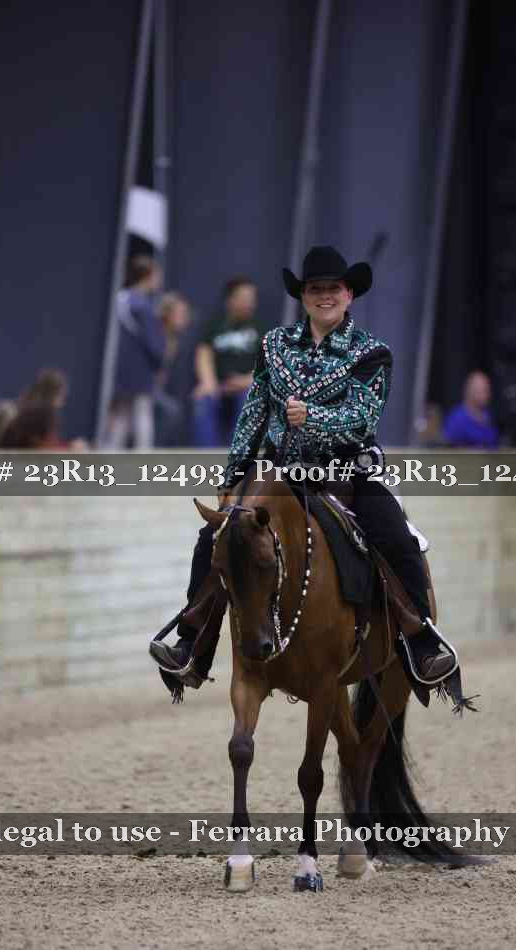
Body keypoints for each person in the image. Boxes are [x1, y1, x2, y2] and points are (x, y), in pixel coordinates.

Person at [150, 246, 456, 692]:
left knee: (394, 535)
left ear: (349, 294)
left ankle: (420, 639)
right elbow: (254, 411)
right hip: (282, 473)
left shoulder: (372, 353)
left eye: (334, 288)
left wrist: (312, 417)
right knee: (216, 537)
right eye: (316, 289)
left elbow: (363, 418)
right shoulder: (273, 345)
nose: (325, 296)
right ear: (303, 296)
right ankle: (191, 642)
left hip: (349, 472)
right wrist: (233, 474)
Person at [192, 276, 264, 446]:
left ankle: (237, 454)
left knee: (249, 398)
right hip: (218, 386)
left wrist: (246, 381)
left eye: (251, 298)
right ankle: (205, 456)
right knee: (203, 398)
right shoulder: (215, 326)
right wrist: (208, 382)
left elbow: (269, 364)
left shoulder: (260, 328)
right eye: (244, 297)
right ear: (230, 300)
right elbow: (204, 354)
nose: (249, 303)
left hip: (247, 386)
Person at [105, 255, 165, 449]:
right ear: (147, 276)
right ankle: (143, 456)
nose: (158, 281)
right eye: (157, 276)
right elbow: (153, 343)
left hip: (120, 366)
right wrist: (159, 362)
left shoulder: (120, 299)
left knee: (121, 414)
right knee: (142, 413)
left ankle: (111, 453)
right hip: (140, 368)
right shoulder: (143, 306)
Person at [154, 292, 192, 446]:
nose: (185, 318)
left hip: (157, 390)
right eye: (180, 314)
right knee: (171, 410)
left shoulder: (175, 340)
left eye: (185, 314)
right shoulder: (155, 336)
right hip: (141, 390)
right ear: (166, 314)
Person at [443, 371, 499, 448]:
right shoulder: (456, 419)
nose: (487, 395)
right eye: (482, 390)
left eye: (488, 390)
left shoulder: (489, 415)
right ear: (469, 391)